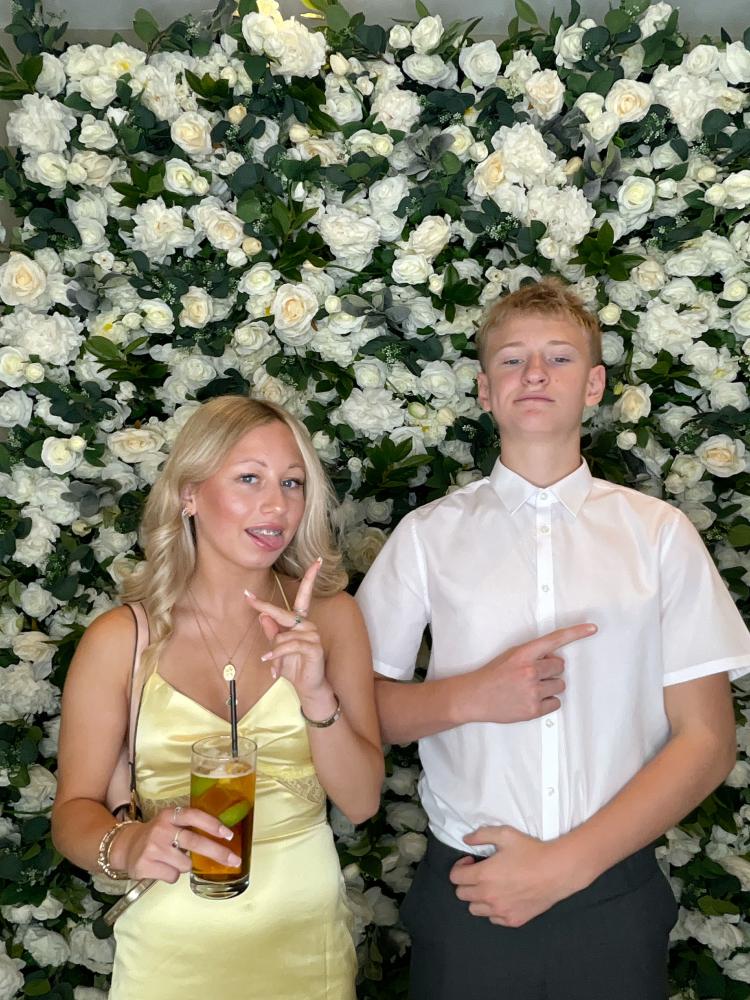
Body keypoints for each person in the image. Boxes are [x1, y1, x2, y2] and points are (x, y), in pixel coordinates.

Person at [355, 278, 750, 1000]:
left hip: (614, 892)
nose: (534, 373)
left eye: (559, 358)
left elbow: (707, 740)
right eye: (512, 359)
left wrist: (566, 866)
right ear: (485, 390)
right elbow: (357, 712)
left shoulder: (659, 535)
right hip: (468, 891)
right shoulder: (427, 537)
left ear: (594, 385)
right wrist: (472, 696)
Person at [52, 394, 383, 1000]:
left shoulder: (332, 618)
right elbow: (73, 811)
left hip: (305, 954)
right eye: (249, 478)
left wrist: (315, 694)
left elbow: (361, 803)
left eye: (291, 482)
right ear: (190, 493)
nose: (276, 505)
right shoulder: (120, 639)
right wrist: (127, 844)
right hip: (171, 958)